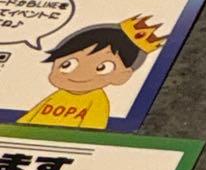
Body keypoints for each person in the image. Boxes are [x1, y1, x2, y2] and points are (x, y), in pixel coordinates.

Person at [18, 15, 166, 128]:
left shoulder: (96, 101)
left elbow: (93, 131)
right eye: (67, 64)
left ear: (122, 76)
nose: (78, 74)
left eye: (102, 68)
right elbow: (25, 122)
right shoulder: (58, 95)